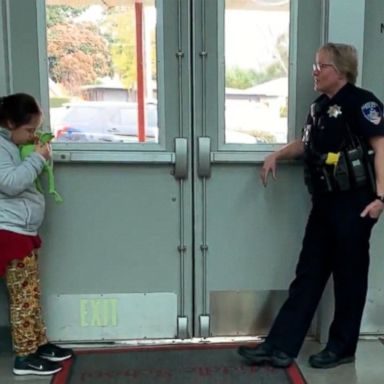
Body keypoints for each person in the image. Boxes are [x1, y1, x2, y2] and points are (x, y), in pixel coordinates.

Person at [238, 43, 384, 369]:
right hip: (324, 204)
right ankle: (280, 345)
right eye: (314, 65)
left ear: (341, 70)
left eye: (321, 66)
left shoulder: (364, 103)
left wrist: (381, 199)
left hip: (356, 204)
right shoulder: (319, 107)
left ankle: (342, 347)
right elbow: (305, 144)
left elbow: (381, 146)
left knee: (349, 278)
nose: (315, 72)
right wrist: (277, 154)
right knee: (308, 275)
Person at [0, 93, 73, 376]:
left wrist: (34, 151)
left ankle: (38, 344)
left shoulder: (10, 145)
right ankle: (24, 356)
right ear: (9, 123)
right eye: (28, 130)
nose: (31, 136)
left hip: (22, 231)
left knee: (31, 293)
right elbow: (10, 183)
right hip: (10, 233)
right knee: (22, 297)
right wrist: (38, 160)